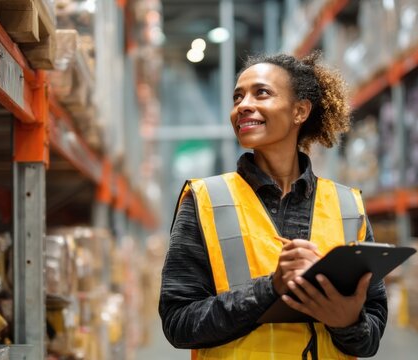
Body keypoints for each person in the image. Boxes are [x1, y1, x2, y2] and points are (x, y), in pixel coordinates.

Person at [159, 51, 387, 359]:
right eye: (237, 98)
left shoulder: (347, 206)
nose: (243, 106)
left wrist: (347, 323)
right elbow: (178, 323)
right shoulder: (204, 201)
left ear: (300, 111)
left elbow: (370, 336)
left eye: (261, 93)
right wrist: (270, 289)